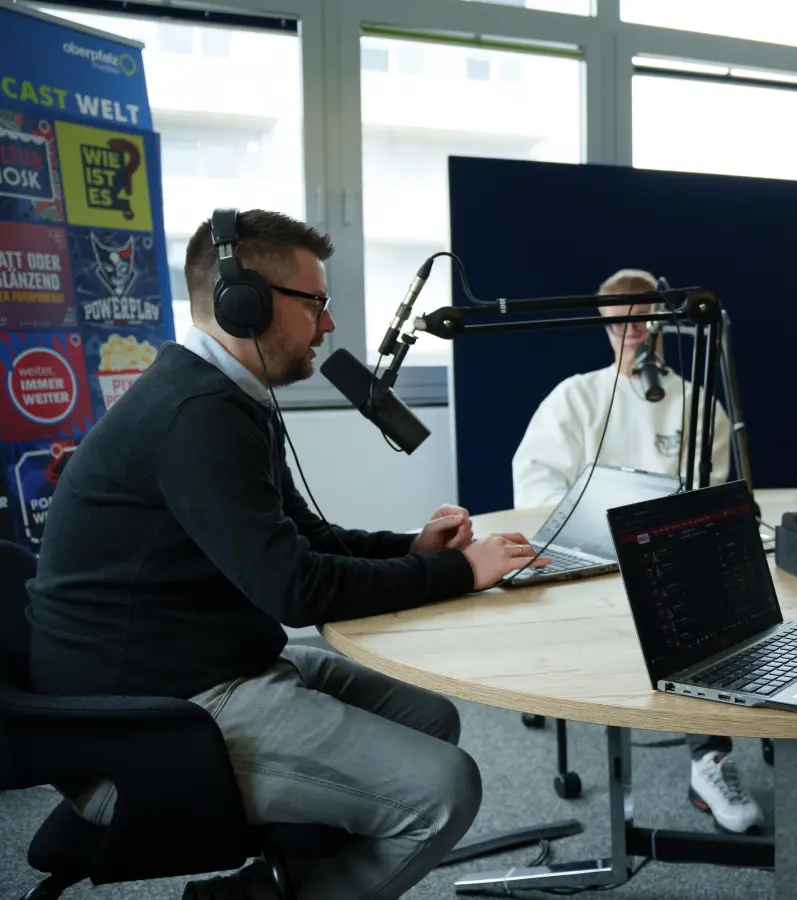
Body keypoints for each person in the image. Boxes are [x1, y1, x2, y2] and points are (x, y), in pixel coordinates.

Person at [26, 210, 549, 900]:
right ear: (244, 305)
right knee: (445, 788)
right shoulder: (197, 417)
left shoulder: (229, 398)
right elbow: (295, 590)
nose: (328, 326)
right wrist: (459, 571)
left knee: (431, 718)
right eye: (317, 304)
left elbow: (302, 538)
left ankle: (259, 893)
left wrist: (416, 548)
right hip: (145, 726)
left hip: (206, 668)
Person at [510, 269, 760, 834]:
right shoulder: (575, 398)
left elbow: (711, 499)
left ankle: (709, 759)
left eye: (643, 317)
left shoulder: (699, 404)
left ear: (663, 321)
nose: (633, 331)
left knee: (701, 593)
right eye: (619, 321)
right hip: (591, 560)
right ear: (602, 324)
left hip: (674, 562)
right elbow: (538, 488)